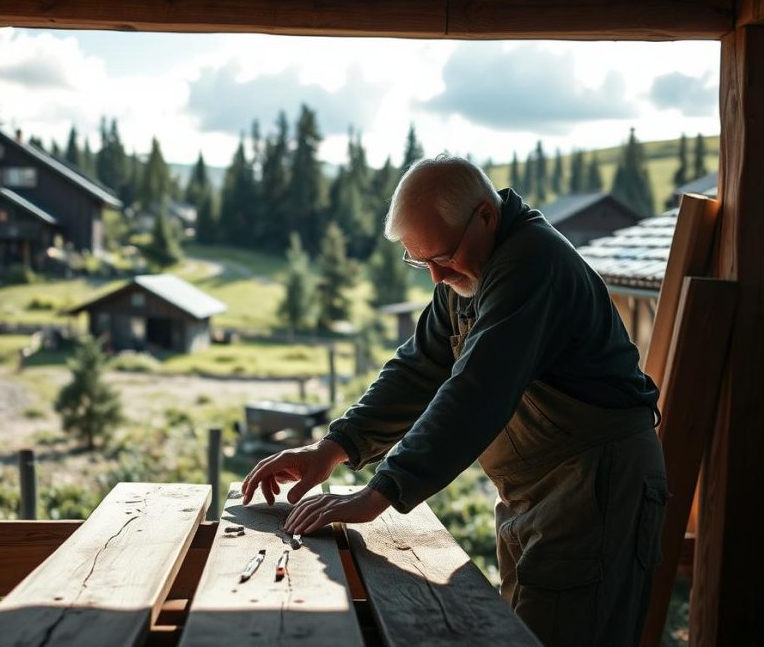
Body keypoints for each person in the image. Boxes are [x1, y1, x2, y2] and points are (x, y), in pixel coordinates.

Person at [242, 155, 667, 646]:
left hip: (594, 486)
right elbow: (418, 368)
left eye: (441, 257)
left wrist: (382, 491)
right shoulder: (470, 269)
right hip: (533, 492)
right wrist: (333, 448)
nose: (436, 279)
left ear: (486, 216)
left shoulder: (530, 263)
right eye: (421, 262)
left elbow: (477, 389)